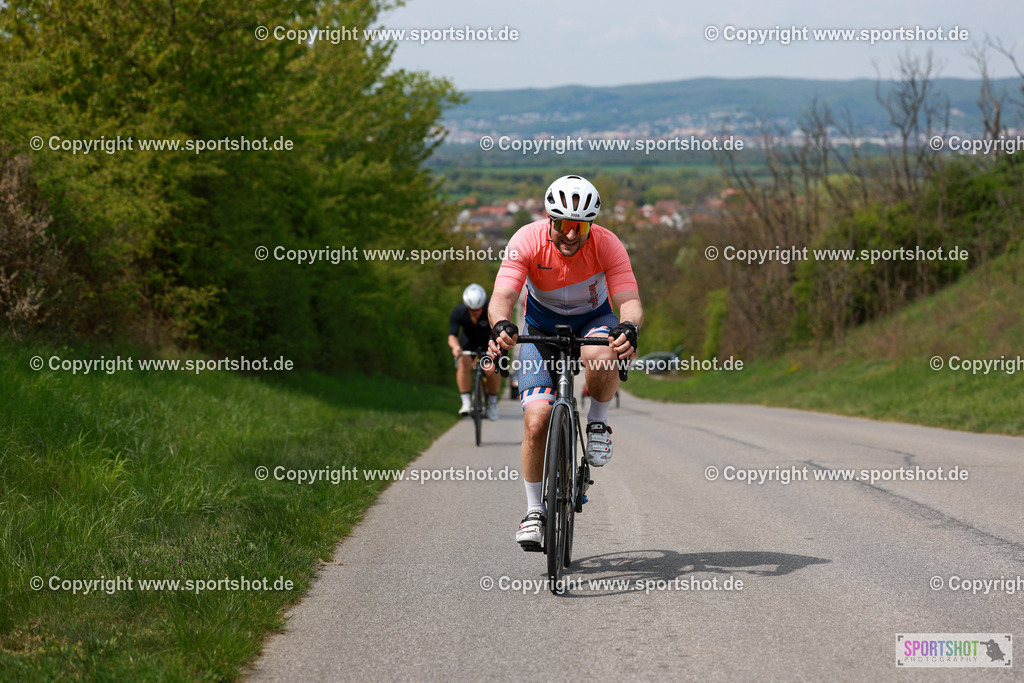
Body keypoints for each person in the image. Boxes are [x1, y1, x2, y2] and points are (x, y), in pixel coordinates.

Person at [487, 175, 642, 549]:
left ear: (591, 225)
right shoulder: (526, 239)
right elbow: (502, 295)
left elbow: (630, 300)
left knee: (601, 351)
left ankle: (599, 424)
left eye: (581, 226)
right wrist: (502, 324)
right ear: (549, 220)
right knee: (537, 419)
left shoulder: (607, 244)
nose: (571, 235)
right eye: (563, 225)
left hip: (594, 321)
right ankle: (533, 511)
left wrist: (629, 326)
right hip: (541, 327)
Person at [449, 283, 501, 420]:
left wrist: (497, 349)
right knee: (463, 362)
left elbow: (500, 331)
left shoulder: (491, 309)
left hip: (489, 342)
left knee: (491, 369)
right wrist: (455, 347)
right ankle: (466, 402)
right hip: (468, 343)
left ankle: (493, 404)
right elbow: (452, 336)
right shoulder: (458, 312)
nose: (475, 312)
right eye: (471, 310)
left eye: (478, 309)